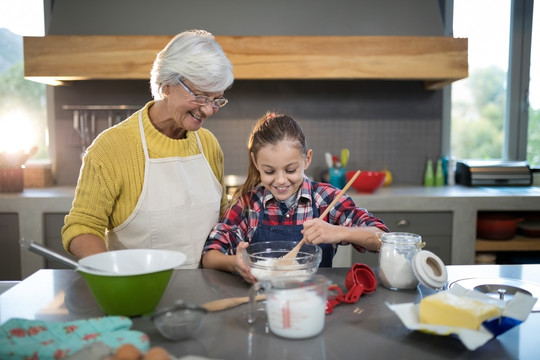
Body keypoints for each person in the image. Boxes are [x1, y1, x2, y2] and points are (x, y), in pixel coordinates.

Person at [61, 29, 234, 268]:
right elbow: (82, 227)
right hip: (140, 294)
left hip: (207, 294)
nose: (207, 110)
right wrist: (111, 273)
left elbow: (223, 218)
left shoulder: (208, 145)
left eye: (217, 100)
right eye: (200, 96)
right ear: (166, 85)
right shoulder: (110, 149)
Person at [201, 112, 388, 282]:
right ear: (255, 162)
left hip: (313, 299)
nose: (281, 180)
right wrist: (236, 263)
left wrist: (340, 231)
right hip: (262, 301)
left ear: (307, 159)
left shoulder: (325, 199)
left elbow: (383, 238)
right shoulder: (248, 204)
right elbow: (210, 257)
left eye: (291, 170)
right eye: (269, 171)